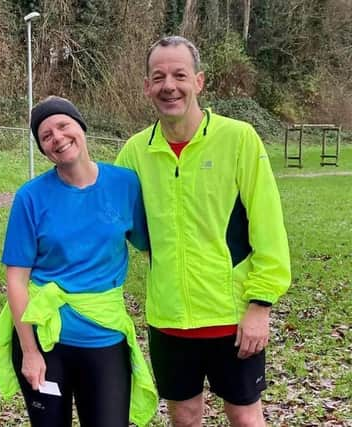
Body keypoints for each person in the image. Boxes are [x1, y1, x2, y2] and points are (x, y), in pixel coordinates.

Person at [115, 36, 291, 426]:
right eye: (158, 76)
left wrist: (260, 305)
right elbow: (115, 223)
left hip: (232, 315)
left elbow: (268, 225)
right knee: (185, 417)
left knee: (245, 416)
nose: (169, 85)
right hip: (168, 317)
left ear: (199, 81)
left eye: (179, 74)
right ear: (146, 86)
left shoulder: (239, 138)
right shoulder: (133, 152)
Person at [0, 96, 157, 427]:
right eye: (46, 136)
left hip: (104, 339)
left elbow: (152, 248)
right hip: (47, 343)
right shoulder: (30, 198)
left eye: (63, 126)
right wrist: (30, 352)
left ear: (81, 127)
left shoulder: (125, 184)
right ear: (43, 149)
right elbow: (17, 280)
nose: (57, 138)